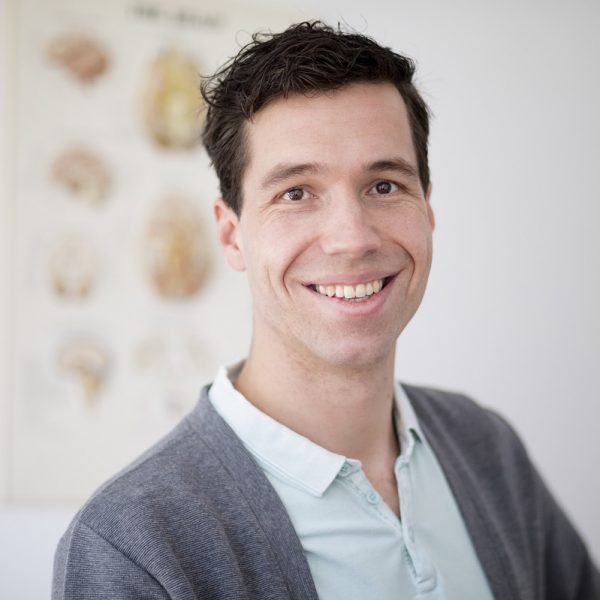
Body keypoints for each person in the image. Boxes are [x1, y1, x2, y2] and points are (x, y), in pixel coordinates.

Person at [52, 21, 600, 599]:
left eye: (384, 186)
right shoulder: (133, 547)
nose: (352, 238)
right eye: (296, 193)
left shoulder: (486, 448)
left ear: (428, 208)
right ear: (232, 236)